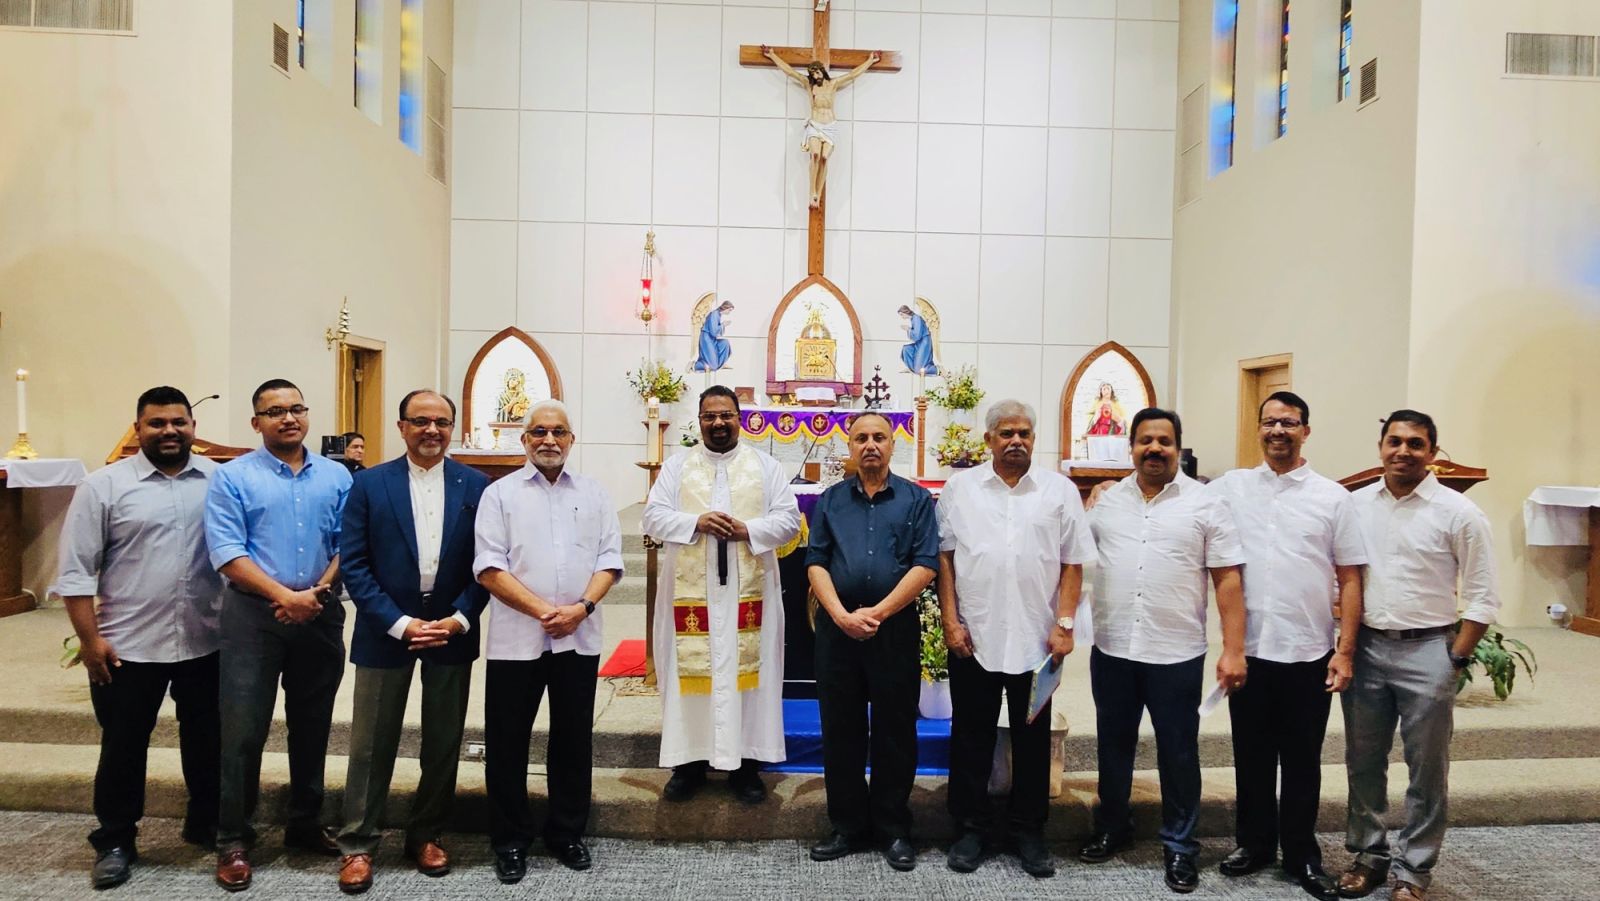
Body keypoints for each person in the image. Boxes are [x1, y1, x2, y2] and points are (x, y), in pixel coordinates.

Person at [54, 386, 224, 890]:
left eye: (178, 422)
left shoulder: (219, 480)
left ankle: (206, 821)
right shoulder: (102, 486)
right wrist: (89, 642)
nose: (169, 431)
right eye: (157, 423)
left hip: (206, 638)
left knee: (208, 740)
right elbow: (76, 572)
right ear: (138, 429)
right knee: (123, 746)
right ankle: (115, 840)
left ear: (193, 427)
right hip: (127, 645)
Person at [1079, 407, 1247, 894]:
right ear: (1130, 447)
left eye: (1164, 441)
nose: (1154, 449)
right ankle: (1113, 825)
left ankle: (1180, 845)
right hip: (1114, 646)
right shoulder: (1106, 502)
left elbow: (1228, 580)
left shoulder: (1206, 504)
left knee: (1178, 751)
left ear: (1178, 448)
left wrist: (1233, 649)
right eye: (1145, 440)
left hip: (1175, 651)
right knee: (1113, 744)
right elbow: (1075, 561)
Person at [1206, 392, 1366, 900]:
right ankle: (1254, 844)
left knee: (1301, 762)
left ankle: (1300, 854)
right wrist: (1108, 489)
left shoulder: (1332, 497)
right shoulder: (1231, 488)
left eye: (1289, 423)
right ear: (1259, 428)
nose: (1278, 430)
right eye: (1270, 422)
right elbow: (1180, 497)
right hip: (1249, 649)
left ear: (1305, 431)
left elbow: (1351, 577)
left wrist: (1345, 650)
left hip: (1307, 651)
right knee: (1251, 756)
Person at [1337, 410, 1499, 901]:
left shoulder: (1459, 513)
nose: (1403, 451)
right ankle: (1368, 856)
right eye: (1395, 441)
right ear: (1380, 447)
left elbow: (1483, 596)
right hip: (1366, 647)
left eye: (1415, 443)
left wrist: (1455, 658)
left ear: (1432, 452)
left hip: (1429, 648)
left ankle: (1414, 870)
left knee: (1426, 767)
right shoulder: (1355, 505)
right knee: (1363, 761)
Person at [334, 390, 490, 894]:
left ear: (452, 428)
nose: (432, 430)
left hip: (450, 629)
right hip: (386, 628)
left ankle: (426, 833)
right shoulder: (369, 484)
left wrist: (461, 617)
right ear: (401, 427)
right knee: (371, 742)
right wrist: (398, 622)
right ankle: (358, 842)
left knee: (443, 741)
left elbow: (488, 563)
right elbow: (354, 562)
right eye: (420, 421)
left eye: (441, 422)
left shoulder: (477, 485)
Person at [204, 379, 353, 892]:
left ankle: (305, 822)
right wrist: (285, 597)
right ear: (256, 422)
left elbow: (348, 543)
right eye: (274, 412)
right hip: (253, 616)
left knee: (312, 725)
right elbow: (227, 552)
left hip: (320, 612)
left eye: (296, 409)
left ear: (307, 415)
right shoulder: (233, 477)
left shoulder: (336, 476)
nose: (288, 418)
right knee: (243, 731)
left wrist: (316, 593)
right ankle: (233, 838)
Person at [936, 400, 1092, 878]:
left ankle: (1029, 831)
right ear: (988, 440)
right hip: (975, 635)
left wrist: (1065, 624)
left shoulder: (1059, 491)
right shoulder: (960, 489)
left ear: (1034, 439)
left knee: (1033, 738)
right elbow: (944, 559)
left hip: (1036, 640)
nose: (1016, 441)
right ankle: (970, 829)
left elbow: (1073, 562)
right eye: (1006, 433)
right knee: (971, 735)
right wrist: (950, 620)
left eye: (1024, 433)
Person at [475, 400, 624, 883]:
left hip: (579, 636)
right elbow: (488, 567)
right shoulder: (499, 495)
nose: (549, 440)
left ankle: (566, 833)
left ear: (571, 439)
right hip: (516, 639)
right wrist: (543, 611)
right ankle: (510, 840)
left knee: (573, 739)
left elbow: (609, 560)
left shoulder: (595, 493)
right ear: (524, 440)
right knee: (507, 741)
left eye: (558, 431)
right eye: (538, 431)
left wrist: (581, 608)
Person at [644, 386, 800, 805]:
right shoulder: (677, 467)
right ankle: (689, 763)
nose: (718, 423)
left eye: (726, 415)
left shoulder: (765, 467)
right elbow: (653, 517)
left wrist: (748, 529)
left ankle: (746, 765)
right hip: (690, 594)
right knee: (690, 673)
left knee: (749, 673)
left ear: (739, 419)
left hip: (750, 595)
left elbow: (790, 521)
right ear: (699, 420)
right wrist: (696, 522)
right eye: (710, 416)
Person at [805, 411, 938, 871]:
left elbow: (925, 564)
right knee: (840, 729)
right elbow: (816, 561)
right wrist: (841, 615)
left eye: (879, 437)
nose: (870, 445)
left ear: (893, 444)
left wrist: (878, 613)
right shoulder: (830, 500)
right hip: (837, 631)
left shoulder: (916, 500)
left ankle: (893, 827)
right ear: (850, 446)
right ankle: (847, 825)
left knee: (895, 731)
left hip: (893, 630)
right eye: (861, 438)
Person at [762, 45, 881, 207]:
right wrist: (772, 55)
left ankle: (818, 193)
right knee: (815, 155)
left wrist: (870, 61)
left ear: (822, 71)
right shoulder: (809, 84)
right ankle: (812, 192)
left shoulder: (833, 84)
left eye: (817, 72)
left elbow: (853, 74)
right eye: (812, 74)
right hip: (815, 125)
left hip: (829, 126)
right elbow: (790, 72)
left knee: (824, 158)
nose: (815, 76)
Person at [689, 301, 735, 373]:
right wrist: (723, 325)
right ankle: (695, 365)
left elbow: (716, 331)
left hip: (712, 339)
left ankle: (720, 364)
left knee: (725, 343)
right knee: (712, 366)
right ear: (725, 308)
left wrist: (722, 326)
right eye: (729, 310)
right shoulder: (714, 314)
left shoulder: (718, 315)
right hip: (706, 339)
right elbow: (713, 331)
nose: (729, 312)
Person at [898, 305, 938, 376]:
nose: (902, 317)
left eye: (902, 314)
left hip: (924, 343)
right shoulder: (913, 319)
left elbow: (917, 335)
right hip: (919, 343)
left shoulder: (916, 318)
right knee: (906, 349)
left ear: (905, 312)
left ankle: (936, 369)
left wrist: (908, 329)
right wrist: (909, 330)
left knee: (919, 370)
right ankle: (912, 368)